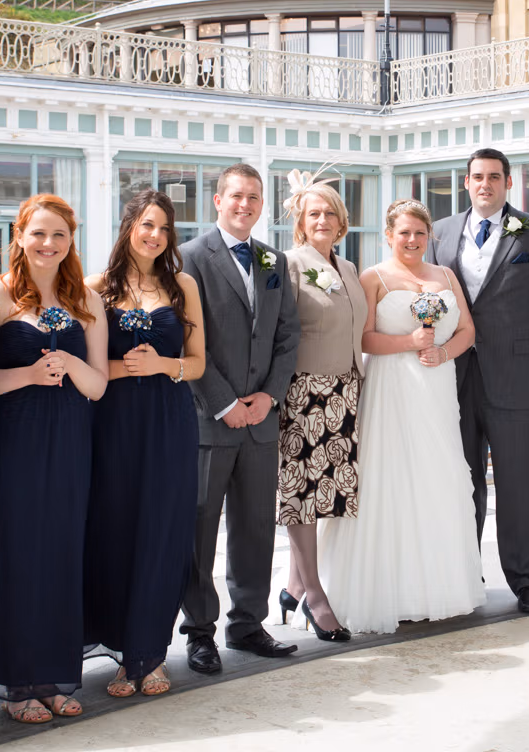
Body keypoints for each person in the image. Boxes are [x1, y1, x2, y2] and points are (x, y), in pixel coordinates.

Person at [0, 195, 108, 723]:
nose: (49, 244)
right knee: (16, 554)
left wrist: (69, 361)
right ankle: (16, 680)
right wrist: (27, 374)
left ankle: (52, 674)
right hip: (14, 443)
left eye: (59, 235)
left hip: (70, 441)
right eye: (39, 234)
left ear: (71, 241)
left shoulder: (86, 299)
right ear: (20, 236)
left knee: (60, 553)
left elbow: (98, 386)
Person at [321, 199, 484, 632]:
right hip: (391, 387)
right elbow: (363, 339)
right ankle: (389, 589)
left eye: (419, 233)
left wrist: (443, 352)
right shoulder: (373, 277)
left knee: (437, 476)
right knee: (392, 479)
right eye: (404, 233)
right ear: (389, 235)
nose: (412, 240)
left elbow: (467, 329)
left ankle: (436, 586)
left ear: (429, 236)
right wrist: (409, 343)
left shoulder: (446, 276)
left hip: (437, 387)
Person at [429, 149, 529, 614]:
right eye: (477, 177)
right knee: (462, 482)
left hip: (517, 378)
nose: (485, 184)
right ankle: (464, 576)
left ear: (508, 182)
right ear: (466, 183)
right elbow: (428, 295)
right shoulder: (440, 232)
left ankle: (527, 580)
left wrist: (528, 349)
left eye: (494, 176)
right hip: (455, 378)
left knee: (520, 484)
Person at [178, 164, 300, 674]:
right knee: (200, 529)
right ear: (218, 201)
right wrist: (226, 403)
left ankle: (248, 624)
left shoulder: (274, 259)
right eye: (236, 196)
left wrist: (269, 397)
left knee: (255, 528)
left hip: (261, 421)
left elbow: (287, 335)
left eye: (253, 197)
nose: (245, 204)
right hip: (210, 418)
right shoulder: (189, 257)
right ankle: (198, 632)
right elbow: (187, 337)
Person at [84, 190, 207, 697]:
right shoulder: (96, 287)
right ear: (129, 226)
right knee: (115, 531)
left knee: (163, 532)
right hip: (113, 424)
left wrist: (162, 365)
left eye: (164, 228)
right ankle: (122, 652)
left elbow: (197, 363)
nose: (155, 235)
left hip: (169, 422)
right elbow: (85, 364)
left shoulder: (182, 285)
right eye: (147, 225)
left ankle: (151, 654)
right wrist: (125, 367)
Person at [278, 181, 368, 642]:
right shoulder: (290, 264)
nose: (322, 221)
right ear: (300, 221)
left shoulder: (348, 267)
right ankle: (314, 596)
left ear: (341, 221)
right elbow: (278, 330)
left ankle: (293, 587)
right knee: (302, 492)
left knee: (326, 493)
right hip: (305, 391)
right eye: (313, 213)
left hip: (345, 389)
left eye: (329, 213)